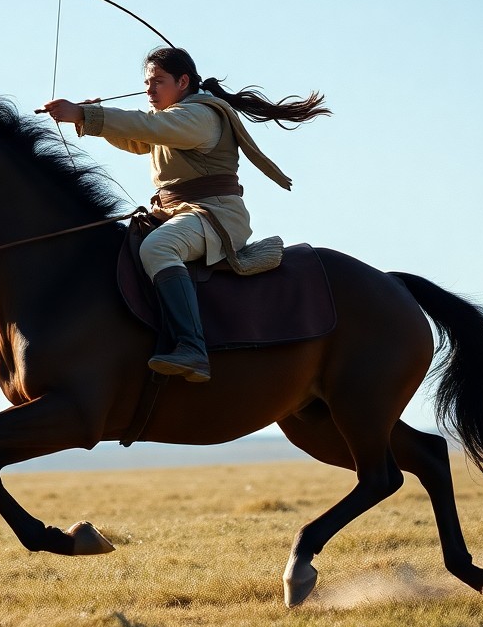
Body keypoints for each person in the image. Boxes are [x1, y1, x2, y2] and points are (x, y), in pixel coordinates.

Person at [43, 47, 328, 382]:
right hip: (180, 213)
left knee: (158, 248)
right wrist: (90, 118)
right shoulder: (174, 118)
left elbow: (146, 127)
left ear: (183, 81)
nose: (149, 89)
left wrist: (85, 114)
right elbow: (139, 138)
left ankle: (192, 347)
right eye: (147, 82)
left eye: (157, 81)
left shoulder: (199, 117)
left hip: (215, 216)